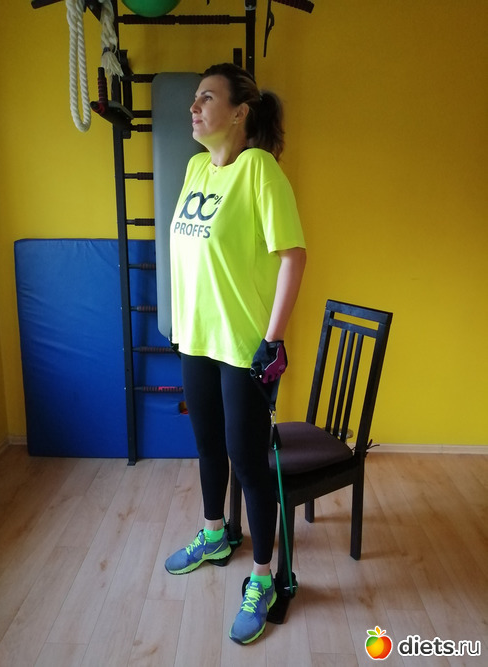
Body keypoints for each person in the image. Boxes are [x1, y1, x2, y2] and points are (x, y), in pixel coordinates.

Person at [164, 62, 306, 645]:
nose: (194, 107)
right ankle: (216, 534)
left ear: (240, 112)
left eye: (206, 97)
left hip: (243, 346)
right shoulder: (196, 168)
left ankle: (264, 577)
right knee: (207, 447)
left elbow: (293, 256)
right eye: (195, 98)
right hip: (197, 338)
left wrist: (272, 341)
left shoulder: (260, 170)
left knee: (248, 462)